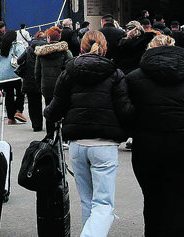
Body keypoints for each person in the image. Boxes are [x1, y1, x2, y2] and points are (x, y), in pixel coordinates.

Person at [125, 33, 184, 237]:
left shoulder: (133, 79)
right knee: (183, 200)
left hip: (146, 145)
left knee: (152, 198)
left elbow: (125, 112)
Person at [44, 30, 133, 237]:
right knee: (103, 203)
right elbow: (125, 111)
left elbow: (55, 109)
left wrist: (48, 112)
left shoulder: (69, 72)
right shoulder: (115, 73)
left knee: (87, 201)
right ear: (105, 49)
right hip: (105, 143)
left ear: (82, 48)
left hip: (77, 143)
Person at [13, 30, 47, 131]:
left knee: (33, 104)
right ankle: (50, 125)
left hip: (30, 80)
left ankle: (36, 125)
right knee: (48, 101)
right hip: (44, 78)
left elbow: (19, 60)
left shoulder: (29, 49)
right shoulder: (47, 48)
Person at [33, 26, 72, 114]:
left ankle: (50, 122)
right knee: (63, 109)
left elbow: (37, 72)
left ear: (49, 38)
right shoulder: (65, 52)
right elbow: (70, 69)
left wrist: (40, 86)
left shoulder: (41, 53)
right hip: (61, 86)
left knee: (49, 109)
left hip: (46, 86)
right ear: (59, 37)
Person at [0, 30, 27, 125]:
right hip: (16, 74)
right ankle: (18, 111)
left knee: (9, 95)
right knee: (20, 93)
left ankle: (10, 118)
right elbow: (23, 58)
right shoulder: (17, 46)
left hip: (4, 76)